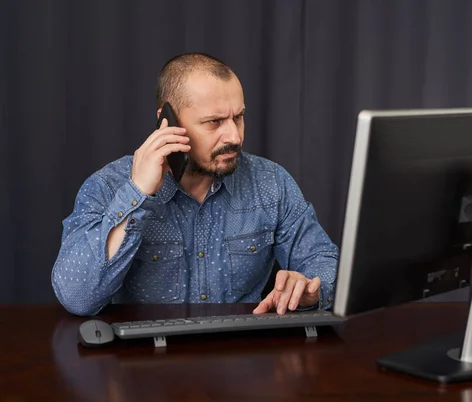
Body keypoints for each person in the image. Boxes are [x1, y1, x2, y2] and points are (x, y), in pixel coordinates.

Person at [51, 53, 339, 316]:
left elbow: (324, 262)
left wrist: (309, 291)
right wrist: (137, 194)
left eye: (238, 117)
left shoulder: (271, 183)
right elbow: (77, 297)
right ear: (167, 121)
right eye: (214, 122)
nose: (234, 137)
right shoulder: (108, 187)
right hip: (145, 363)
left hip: (242, 359)